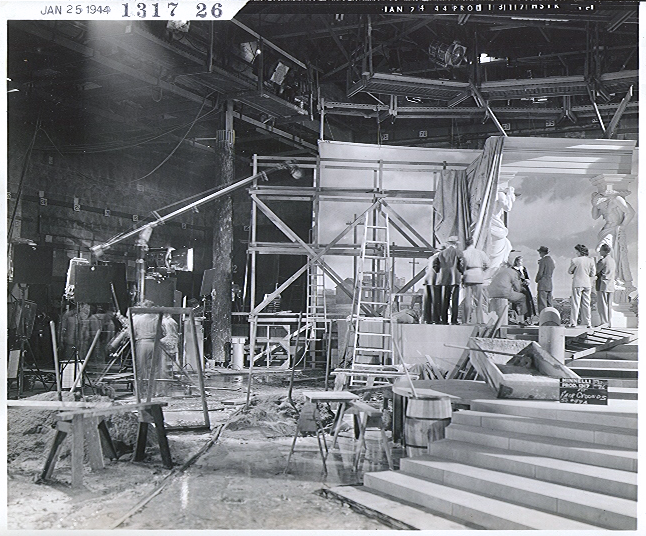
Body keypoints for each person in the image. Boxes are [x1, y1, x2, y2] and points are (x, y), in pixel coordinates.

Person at [591, 190, 635, 289]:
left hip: (613, 231)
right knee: (607, 253)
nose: (599, 208)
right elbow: (594, 216)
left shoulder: (616, 199)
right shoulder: (600, 204)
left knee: (607, 252)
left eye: (599, 205)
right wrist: (594, 205)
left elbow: (631, 212)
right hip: (605, 231)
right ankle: (610, 276)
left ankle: (615, 277)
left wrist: (622, 226)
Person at [432, 236, 464, 324]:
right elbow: (462, 265)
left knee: (444, 300)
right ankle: (454, 320)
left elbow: (435, 265)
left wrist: (440, 272)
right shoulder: (459, 252)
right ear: (456, 244)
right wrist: (461, 272)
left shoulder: (441, 253)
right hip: (455, 279)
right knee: (455, 301)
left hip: (444, 279)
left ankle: (444, 320)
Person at [461, 237, 489, 324]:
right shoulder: (480, 253)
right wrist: (482, 271)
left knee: (468, 299)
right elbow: (488, 264)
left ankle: (466, 320)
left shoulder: (464, 253)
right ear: (473, 243)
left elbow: (461, 266)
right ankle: (479, 320)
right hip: (478, 274)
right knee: (479, 300)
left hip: (468, 275)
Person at [568, 244, 596, 328]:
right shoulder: (591, 260)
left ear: (579, 251)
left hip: (577, 283)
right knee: (586, 304)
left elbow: (569, 271)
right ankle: (588, 323)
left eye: (576, 251)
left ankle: (573, 322)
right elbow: (593, 274)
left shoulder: (575, 260)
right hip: (587, 283)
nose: (576, 253)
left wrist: (575, 271)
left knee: (575, 304)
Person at [596, 244, 616, 327]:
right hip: (611, 284)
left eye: (601, 250)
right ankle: (609, 322)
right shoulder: (612, 260)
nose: (599, 252)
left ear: (604, 251)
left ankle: (604, 322)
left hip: (603, 284)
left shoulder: (603, 261)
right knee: (609, 305)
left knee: (603, 304)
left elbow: (596, 270)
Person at [512, 256, 536, 324]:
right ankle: (518, 319)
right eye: (520, 261)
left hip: (525, 287)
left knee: (527, 302)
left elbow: (527, 277)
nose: (521, 263)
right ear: (516, 261)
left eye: (522, 261)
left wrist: (527, 281)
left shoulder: (523, 268)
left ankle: (527, 318)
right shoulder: (513, 269)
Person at [535, 246, 555, 313]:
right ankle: (550, 317)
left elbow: (540, 273)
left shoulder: (542, 260)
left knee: (542, 304)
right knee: (549, 303)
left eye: (540, 252)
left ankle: (542, 317)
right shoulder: (551, 261)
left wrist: (536, 279)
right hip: (549, 283)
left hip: (542, 284)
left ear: (542, 252)